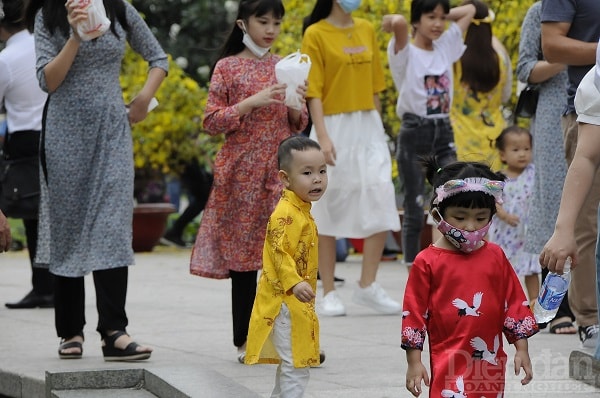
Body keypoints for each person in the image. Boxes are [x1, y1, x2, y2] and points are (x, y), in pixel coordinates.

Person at [25, 0, 167, 360]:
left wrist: (143, 100)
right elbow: (47, 81)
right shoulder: (49, 16)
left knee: (112, 227)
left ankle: (114, 331)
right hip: (64, 134)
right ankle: (70, 331)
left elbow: (158, 59)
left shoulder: (119, 10)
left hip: (111, 132)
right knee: (68, 228)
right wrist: (75, 36)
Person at [189, 0, 308, 362]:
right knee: (244, 264)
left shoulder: (284, 66)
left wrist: (294, 106)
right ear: (243, 23)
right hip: (239, 176)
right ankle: (247, 342)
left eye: (276, 22)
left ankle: (295, 340)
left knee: (284, 256)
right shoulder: (227, 67)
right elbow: (210, 122)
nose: (270, 28)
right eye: (263, 21)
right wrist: (249, 103)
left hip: (278, 173)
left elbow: (297, 125)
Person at [401, 158, 538, 397]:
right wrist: (414, 361)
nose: (471, 226)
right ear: (437, 214)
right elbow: (413, 314)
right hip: (448, 359)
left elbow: (514, 303)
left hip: (490, 361)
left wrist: (522, 349)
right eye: (460, 217)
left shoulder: (496, 256)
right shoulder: (427, 262)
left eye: (481, 217)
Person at [301, 0, 401, 318]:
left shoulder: (367, 29)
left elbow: (375, 87)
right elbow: (313, 91)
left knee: (380, 194)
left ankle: (367, 285)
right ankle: (328, 290)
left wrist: (379, 128)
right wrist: (323, 135)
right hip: (332, 125)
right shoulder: (315, 33)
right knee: (328, 204)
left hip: (368, 125)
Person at [383, 0, 475, 273]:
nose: (437, 23)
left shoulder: (445, 46)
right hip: (414, 131)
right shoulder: (404, 52)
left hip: (442, 129)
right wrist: (398, 20)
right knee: (414, 204)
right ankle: (413, 267)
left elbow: (471, 10)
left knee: (452, 191)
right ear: (416, 20)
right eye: (429, 17)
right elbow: (398, 22)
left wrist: (442, 14)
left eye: (441, 17)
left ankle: (451, 261)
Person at [245, 135, 327, 397]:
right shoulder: (286, 214)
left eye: (322, 171)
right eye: (307, 172)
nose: (317, 178)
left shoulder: (301, 210)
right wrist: (295, 281)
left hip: (294, 303)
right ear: (284, 178)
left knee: (291, 364)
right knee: (296, 364)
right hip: (283, 303)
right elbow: (278, 253)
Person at [541, 0, 600, 349]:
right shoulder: (596, 81)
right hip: (587, 119)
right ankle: (590, 321)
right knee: (584, 228)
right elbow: (588, 155)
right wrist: (563, 229)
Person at [516, 0, 575, 334]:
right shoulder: (541, 11)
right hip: (554, 116)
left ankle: (587, 303)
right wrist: (568, 55)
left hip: (591, 110)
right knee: (553, 201)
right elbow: (526, 69)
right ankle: (557, 305)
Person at [0, 0, 53, 309]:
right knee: (49, 215)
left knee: (33, 215)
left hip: (24, 140)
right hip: (55, 133)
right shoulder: (46, 45)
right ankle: (52, 285)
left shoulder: (7, 58)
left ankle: (43, 287)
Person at [451, 0, 512, 170]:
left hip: (459, 141)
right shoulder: (500, 54)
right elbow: (506, 95)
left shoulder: (452, 57)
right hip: (493, 140)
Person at [488, 126, 540, 304]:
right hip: (506, 235)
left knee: (531, 269)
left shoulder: (533, 173)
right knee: (504, 269)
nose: (522, 154)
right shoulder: (498, 178)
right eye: (516, 150)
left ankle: (535, 302)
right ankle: (504, 303)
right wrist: (503, 214)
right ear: (503, 154)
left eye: (526, 149)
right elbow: (493, 201)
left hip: (527, 234)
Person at [161, 158, 213, 248]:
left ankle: (175, 231)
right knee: (203, 197)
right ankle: (175, 231)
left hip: (189, 160)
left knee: (203, 197)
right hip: (186, 160)